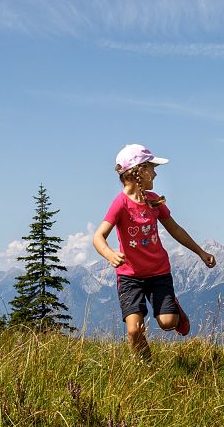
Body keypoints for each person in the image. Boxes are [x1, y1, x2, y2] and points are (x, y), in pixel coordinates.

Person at [92, 143, 216, 359]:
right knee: (134, 330)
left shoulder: (153, 200)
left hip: (159, 273)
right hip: (130, 277)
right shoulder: (120, 204)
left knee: (168, 323)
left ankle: (174, 309)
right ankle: (145, 368)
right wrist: (110, 254)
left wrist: (200, 252)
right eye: (152, 168)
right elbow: (98, 237)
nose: (156, 174)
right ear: (139, 172)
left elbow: (175, 229)